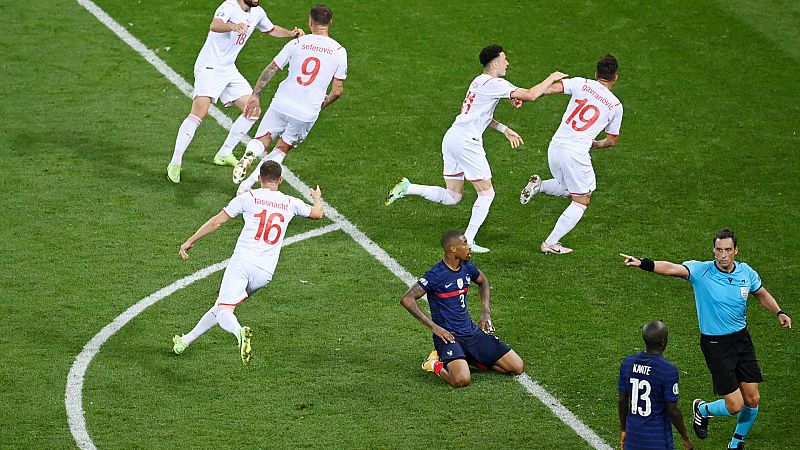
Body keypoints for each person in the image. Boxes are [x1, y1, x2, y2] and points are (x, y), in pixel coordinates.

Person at [384, 45, 567, 253]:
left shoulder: (478, 81)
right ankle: (468, 241)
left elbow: (482, 115)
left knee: (453, 196)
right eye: (505, 59)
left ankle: (408, 188)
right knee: (487, 194)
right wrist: (551, 77)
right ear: (495, 62)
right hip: (467, 143)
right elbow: (531, 95)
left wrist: (504, 129)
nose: (507, 63)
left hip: (452, 137)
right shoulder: (495, 83)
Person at [620, 229, 792, 449]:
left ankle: (736, 443)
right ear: (714, 250)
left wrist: (779, 312)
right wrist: (644, 263)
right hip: (715, 345)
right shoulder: (701, 271)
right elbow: (672, 268)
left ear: (735, 251)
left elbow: (761, 293)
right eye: (719, 250)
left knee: (753, 399)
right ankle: (702, 409)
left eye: (728, 250)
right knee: (735, 405)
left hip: (741, 340)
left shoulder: (746, 273)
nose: (723, 255)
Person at [172, 160, 324, 364]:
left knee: (226, 310)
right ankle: (185, 340)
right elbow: (318, 213)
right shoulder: (290, 202)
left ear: (259, 178)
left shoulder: (248, 197)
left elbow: (217, 222)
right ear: (280, 179)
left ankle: (239, 332)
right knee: (222, 305)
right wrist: (317, 199)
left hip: (243, 263)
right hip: (265, 273)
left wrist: (190, 241)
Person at [166, 0, 304, 183]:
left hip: (228, 69)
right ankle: (175, 162)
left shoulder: (257, 12)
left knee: (252, 110)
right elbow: (214, 24)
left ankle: (224, 154)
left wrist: (291, 34)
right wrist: (232, 26)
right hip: (210, 67)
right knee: (199, 113)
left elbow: (270, 29)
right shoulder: (229, 6)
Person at [231, 4, 346, 194]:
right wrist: (322, 103)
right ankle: (245, 186)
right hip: (306, 111)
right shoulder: (339, 51)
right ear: (330, 23)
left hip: (282, 101)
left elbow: (272, 68)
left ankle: (249, 155)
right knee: (282, 148)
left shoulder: (296, 43)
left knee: (262, 138)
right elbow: (337, 91)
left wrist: (255, 95)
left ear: (310, 22)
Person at [519, 54, 623, 255]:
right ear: (615, 77)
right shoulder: (615, 105)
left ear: (596, 74)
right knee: (582, 200)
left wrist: (521, 96)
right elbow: (611, 141)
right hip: (575, 153)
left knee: (569, 188)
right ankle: (550, 243)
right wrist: (594, 144)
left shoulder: (581, 83)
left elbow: (550, 89)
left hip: (555, 147)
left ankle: (539, 186)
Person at [400, 229, 524, 387]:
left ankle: (468, 357)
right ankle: (434, 364)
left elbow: (483, 281)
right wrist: (435, 328)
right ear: (453, 249)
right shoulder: (436, 275)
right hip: (448, 337)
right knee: (461, 380)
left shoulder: (467, 267)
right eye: (464, 243)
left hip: (471, 333)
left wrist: (486, 312)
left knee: (516, 367)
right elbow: (407, 298)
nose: (469, 246)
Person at [618, 321, 694, 450]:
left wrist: (624, 429)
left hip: (633, 437)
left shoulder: (628, 363)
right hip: (657, 440)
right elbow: (672, 408)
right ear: (663, 342)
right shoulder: (667, 369)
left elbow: (622, 400)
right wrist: (685, 438)